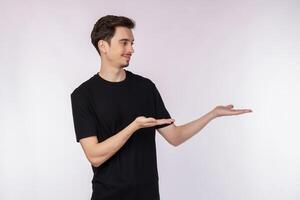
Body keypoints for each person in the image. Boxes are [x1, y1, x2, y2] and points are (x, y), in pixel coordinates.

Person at [70, 15, 252, 200]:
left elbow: (175, 136)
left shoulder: (145, 88)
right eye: (124, 43)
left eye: (132, 43)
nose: (131, 49)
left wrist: (212, 114)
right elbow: (95, 156)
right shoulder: (83, 95)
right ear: (103, 46)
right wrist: (134, 127)